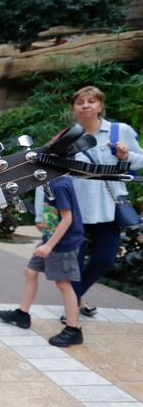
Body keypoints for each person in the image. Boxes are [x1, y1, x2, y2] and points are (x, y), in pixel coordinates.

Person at [64, 86, 143, 320]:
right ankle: (71, 313)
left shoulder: (120, 131)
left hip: (109, 207)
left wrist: (125, 155)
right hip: (76, 208)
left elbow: (140, 160)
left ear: (100, 105)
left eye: (91, 101)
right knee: (74, 264)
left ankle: (76, 298)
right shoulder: (68, 136)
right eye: (80, 102)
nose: (86, 105)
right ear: (74, 108)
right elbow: (55, 173)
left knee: (104, 259)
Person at [0, 174, 85, 347]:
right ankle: (22, 315)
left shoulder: (59, 185)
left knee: (63, 284)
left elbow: (67, 219)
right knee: (30, 272)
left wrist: (49, 246)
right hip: (51, 236)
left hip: (63, 243)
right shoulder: (51, 181)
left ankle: (73, 330)